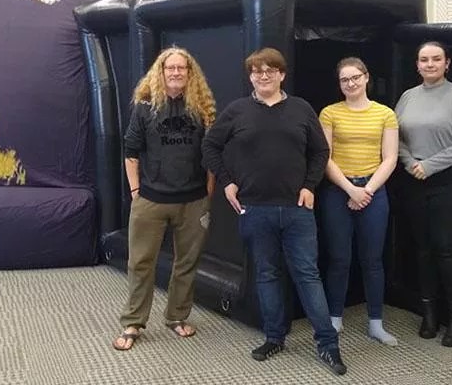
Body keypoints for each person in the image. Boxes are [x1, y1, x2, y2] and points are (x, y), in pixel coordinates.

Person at [202, 47, 346, 376]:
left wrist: (310, 185)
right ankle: (274, 337)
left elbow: (320, 151)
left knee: (307, 276)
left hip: (297, 209)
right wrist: (226, 182)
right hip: (254, 210)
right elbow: (210, 145)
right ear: (250, 76)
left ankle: (328, 344)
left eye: (270, 70)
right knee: (266, 275)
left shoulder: (300, 109)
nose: (263, 75)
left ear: (282, 74)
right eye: (256, 71)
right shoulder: (237, 111)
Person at [112, 47, 216, 351]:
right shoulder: (145, 107)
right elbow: (130, 153)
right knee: (141, 263)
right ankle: (133, 322)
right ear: (160, 72)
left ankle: (177, 317)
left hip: (193, 201)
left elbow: (211, 155)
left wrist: (208, 192)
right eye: (169, 68)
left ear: (189, 73)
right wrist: (135, 192)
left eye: (181, 68)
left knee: (187, 263)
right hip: (151, 199)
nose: (175, 73)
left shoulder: (203, 109)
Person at [395, 42, 452, 347]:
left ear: (447, 63)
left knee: (447, 249)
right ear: (417, 65)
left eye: (436, 59)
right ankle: (429, 314)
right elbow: (395, 137)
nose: (430, 64)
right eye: (424, 60)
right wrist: (409, 163)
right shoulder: (407, 97)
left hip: (450, 183)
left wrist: (430, 165)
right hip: (413, 182)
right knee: (423, 250)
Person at [318, 57, 399, 346]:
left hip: (374, 191)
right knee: (339, 259)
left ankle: (375, 323)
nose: (350, 83)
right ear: (339, 84)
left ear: (366, 78)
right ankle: (335, 319)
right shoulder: (329, 113)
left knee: (373, 260)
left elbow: (390, 158)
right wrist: (350, 190)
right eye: (344, 80)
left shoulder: (385, 114)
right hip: (338, 190)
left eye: (355, 77)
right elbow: (324, 157)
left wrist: (367, 191)